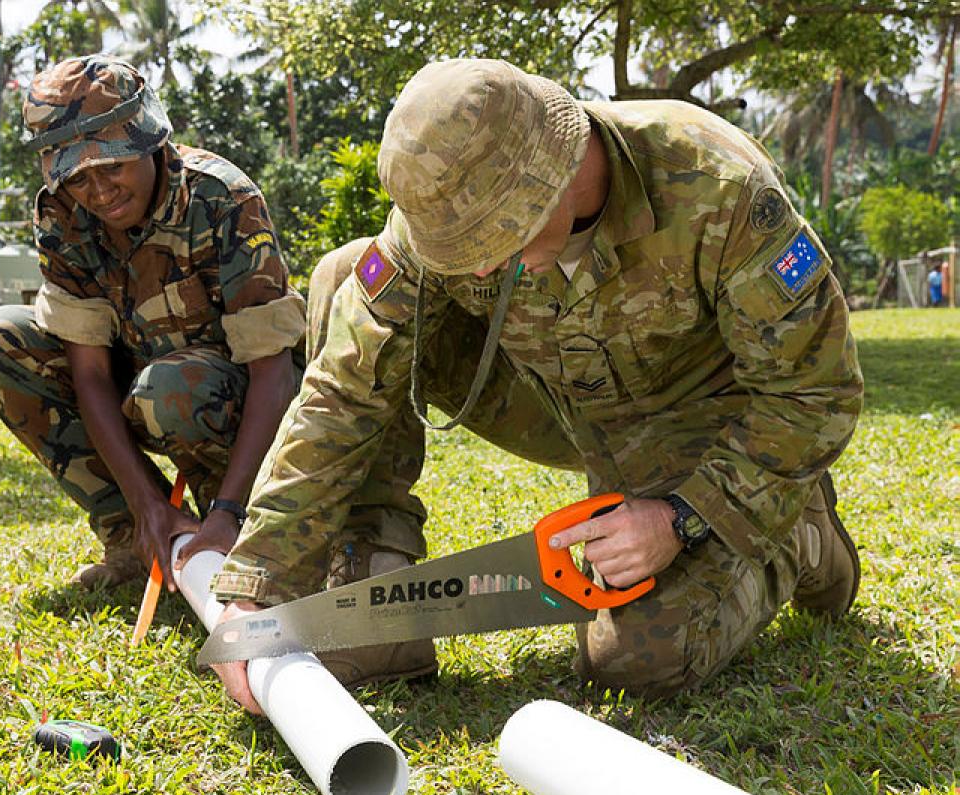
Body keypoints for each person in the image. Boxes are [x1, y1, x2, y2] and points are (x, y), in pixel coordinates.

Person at [208, 58, 864, 714]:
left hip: (694, 422)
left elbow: (816, 390)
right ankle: (375, 579)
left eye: (495, 240)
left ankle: (800, 533)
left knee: (637, 660)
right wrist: (256, 589)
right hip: (547, 396)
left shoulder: (718, 185)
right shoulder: (444, 208)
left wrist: (682, 516)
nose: (485, 267)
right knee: (346, 275)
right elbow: (340, 393)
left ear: (559, 168)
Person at [0, 56, 304, 592]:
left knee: (169, 389)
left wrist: (229, 507)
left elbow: (275, 374)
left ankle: (237, 532)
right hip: (137, 391)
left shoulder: (222, 199)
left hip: (231, 404)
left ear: (148, 141)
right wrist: (146, 503)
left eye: (112, 166)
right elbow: (92, 375)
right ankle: (133, 537)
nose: (98, 192)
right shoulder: (61, 212)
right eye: (77, 176)